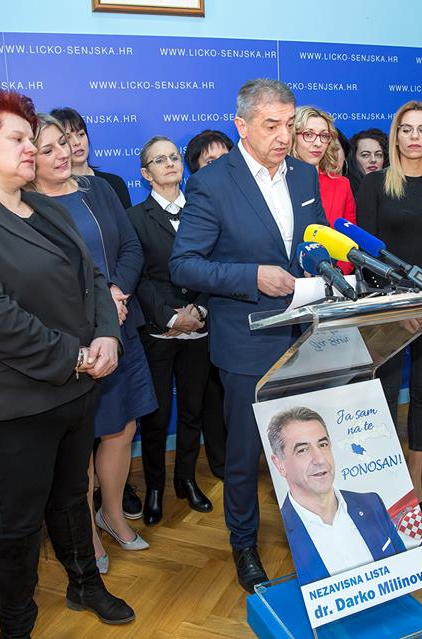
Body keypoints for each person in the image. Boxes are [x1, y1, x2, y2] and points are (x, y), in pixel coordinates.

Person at [0, 90, 135, 633]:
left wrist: (106, 336)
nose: (30, 149)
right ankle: (17, 622)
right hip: (16, 406)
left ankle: (86, 585)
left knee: (71, 499)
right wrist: (79, 356)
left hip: (77, 390)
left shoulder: (45, 207)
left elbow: (92, 279)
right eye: (16, 138)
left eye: (30, 138)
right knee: (18, 525)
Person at [169, 78, 328, 593]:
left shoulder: (305, 175)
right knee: (245, 454)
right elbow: (184, 265)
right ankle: (244, 544)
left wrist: (325, 268)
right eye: (271, 125)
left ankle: (317, 535)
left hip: (305, 336)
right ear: (241, 125)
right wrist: (251, 277)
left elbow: (315, 242)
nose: (284, 136)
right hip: (247, 339)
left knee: (305, 444)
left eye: (289, 125)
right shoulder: (212, 183)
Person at [29, 114, 156, 569]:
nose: (61, 154)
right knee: (79, 442)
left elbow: (131, 247)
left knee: (122, 428)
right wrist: (101, 306)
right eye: (47, 149)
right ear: (28, 158)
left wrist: (116, 292)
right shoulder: (24, 207)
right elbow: (40, 279)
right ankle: (85, 531)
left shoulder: (97, 189)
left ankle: (113, 513)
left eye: (63, 143)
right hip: (74, 340)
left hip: (121, 327)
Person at [356, 100, 422, 510]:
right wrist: (402, 303)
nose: (414, 137)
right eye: (406, 129)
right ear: (395, 136)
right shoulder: (375, 184)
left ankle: (413, 476)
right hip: (387, 308)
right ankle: (385, 475)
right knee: (383, 393)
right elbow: (366, 252)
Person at [127, 135, 215, 526]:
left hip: (200, 326)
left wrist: (200, 309)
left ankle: (186, 480)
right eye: (159, 160)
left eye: (174, 157)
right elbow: (139, 277)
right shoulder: (134, 218)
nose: (169, 163)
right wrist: (170, 317)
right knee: (157, 416)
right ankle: (155, 489)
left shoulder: (203, 210)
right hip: (158, 331)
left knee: (193, 410)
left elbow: (217, 264)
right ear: (146, 174)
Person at [266, 407, 404, 585]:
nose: (320, 459)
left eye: (322, 445)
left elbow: (404, 566)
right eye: (303, 450)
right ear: (280, 464)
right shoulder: (281, 534)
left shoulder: (371, 503)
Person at [183, 131, 231, 480]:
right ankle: (218, 462)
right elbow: (190, 266)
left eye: (225, 159)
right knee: (208, 396)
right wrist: (200, 307)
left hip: (241, 316)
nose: (220, 167)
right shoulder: (197, 207)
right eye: (210, 162)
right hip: (202, 318)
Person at [290, 106, 356, 273]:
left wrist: (335, 273)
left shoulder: (341, 185)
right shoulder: (276, 183)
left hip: (333, 279)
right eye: (309, 135)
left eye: (324, 136)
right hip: (286, 279)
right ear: (292, 137)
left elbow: (350, 242)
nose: (318, 143)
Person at [49, 106, 132, 209]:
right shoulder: (54, 192)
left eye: (81, 134)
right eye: (67, 138)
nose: (77, 142)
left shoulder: (114, 183)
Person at [347, 128, 388, 195]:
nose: (373, 160)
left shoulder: (394, 189)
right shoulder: (345, 190)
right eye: (365, 155)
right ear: (353, 158)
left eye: (378, 155)